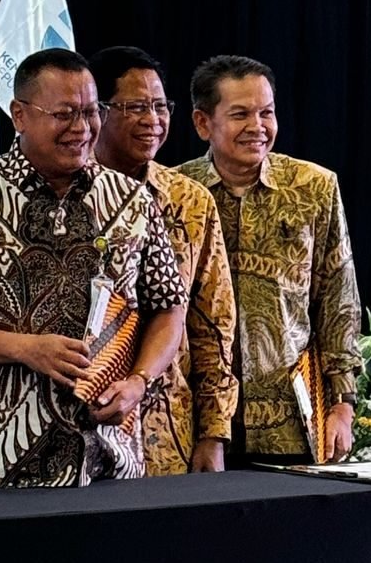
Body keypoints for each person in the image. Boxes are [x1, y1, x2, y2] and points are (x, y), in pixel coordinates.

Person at [0, 48, 187, 491]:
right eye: (64, 114)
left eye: (91, 112)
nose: (82, 129)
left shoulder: (135, 201)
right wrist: (23, 348)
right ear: (19, 115)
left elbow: (169, 308)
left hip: (111, 462)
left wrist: (138, 381)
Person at [178, 55, 362, 466]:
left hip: (293, 423)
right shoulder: (177, 192)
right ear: (203, 123)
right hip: (198, 425)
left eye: (267, 112)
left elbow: (338, 300)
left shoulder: (315, 187)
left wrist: (343, 405)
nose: (257, 127)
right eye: (241, 114)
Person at [89, 46, 238, 475]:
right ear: (97, 111)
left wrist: (214, 434)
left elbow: (215, 328)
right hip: (83, 424)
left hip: (167, 434)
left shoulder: (190, 200)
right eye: (136, 107)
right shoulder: (68, 194)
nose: (153, 120)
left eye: (160, 106)